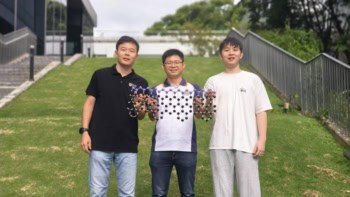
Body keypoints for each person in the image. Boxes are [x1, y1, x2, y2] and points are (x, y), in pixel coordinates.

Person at [79, 35, 148, 197]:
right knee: (97, 192)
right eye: (123, 49)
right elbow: (89, 103)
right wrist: (85, 131)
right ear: (116, 52)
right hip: (100, 143)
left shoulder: (141, 82)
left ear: (136, 56)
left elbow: (141, 115)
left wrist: (140, 107)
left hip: (128, 145)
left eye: (131, 51)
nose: (127, 53)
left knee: (127, 193)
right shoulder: (100, 75)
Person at [203, 37, 272, 197]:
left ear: (241, 54)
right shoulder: (212, 81)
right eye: (226, 50)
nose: (231, 53)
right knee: (222, 192)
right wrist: (202, 104)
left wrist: (261, 140)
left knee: (250, 192)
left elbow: (261, 110)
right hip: (220, 143)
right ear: (221, 55)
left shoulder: (252, 79)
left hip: (247, 143)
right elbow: (207, 113)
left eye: (235, 49)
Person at [146, 49, 202, 197]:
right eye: (169, 63)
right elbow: (152, 117)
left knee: (188, 193)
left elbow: (199, 114)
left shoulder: (194, 89)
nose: (173, 65)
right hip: (160, 148)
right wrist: (151, 109)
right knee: (158, 193)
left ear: (183, 65)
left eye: (176, 62)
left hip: (186, 148)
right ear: (163, 66)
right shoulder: (155, 90)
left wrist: (200, 105)